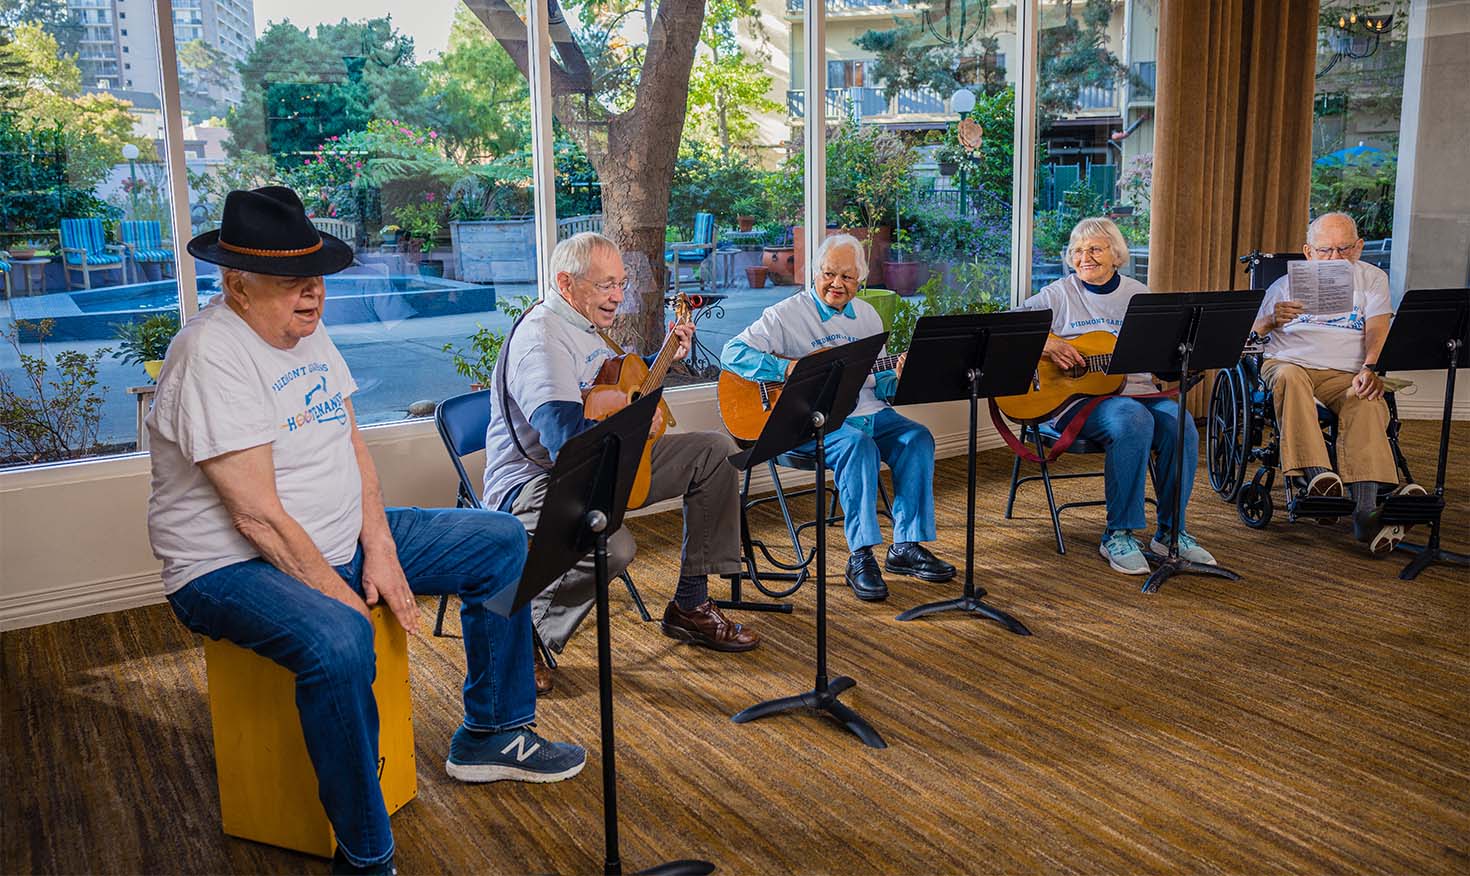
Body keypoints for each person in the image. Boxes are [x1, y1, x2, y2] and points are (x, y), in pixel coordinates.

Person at [148, 187, 584, 876]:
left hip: (336, 535)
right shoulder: (210, 354)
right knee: (341, 638)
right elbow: (255, 515)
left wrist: (377, 547)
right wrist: (341, 593)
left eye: (316, 281)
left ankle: (493, 733)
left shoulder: (305, 332)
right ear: (236, 283)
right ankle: (366, 854)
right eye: (292, 285)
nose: (312, 297)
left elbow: (352, 447)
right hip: (226, 567)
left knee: (500, 539)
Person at [483, 232, 759, 693]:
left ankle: (689, 605)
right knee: (615, 545)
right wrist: (634, 426)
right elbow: (565, 440)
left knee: (715, 453)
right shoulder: (541, 340)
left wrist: (665, 355)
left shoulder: (584, 322)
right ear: (566, 283)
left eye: (622, 283)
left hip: (608, 460)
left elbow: (614, 386)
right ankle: (519, 632)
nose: (618, 296)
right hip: (536, 480)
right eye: (606, 285)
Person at [720, 233, 955, 602]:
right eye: (829, 274)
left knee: (917, 438)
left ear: (859, 281)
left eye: (847, 277)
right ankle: (860, 557)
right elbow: (731, 354)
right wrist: (786, 369)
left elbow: (882, 386)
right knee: (857, 447)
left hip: (868, 412)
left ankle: (905, 546)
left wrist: (901, 376)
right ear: (815, 273)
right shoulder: (787, 315)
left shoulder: (868, 316)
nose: (836, 284)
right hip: (811, 420)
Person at [1017, 217, 1217, 575]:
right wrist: (1049, 343)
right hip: (1072, 402)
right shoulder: (1058, 294)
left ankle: (1172, 532)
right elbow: (1011, 327)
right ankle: (1118, 534)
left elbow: (1165, 355)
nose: (1084, 257)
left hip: (1139, 392)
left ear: (1116, 255)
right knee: (1131, 418)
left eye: (1094, 249)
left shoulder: (1139, 296)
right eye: (1077, 251)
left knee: (1181, 422)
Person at [1250, 212, 1419, 553]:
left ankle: (1366, 512)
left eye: (1344, 249)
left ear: (1358, 248)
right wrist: (1270, 319)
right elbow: (1248, 336)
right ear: (1308, 252)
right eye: (1325, 250)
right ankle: (1317, 477)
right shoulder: (1282, 285)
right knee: (1289, 376)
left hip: (1346, 371)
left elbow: (1377, 328)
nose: (1335, 258)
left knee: (1367, 399)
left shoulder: (1372, 279)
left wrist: (1370, 367)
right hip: (1289, 362)